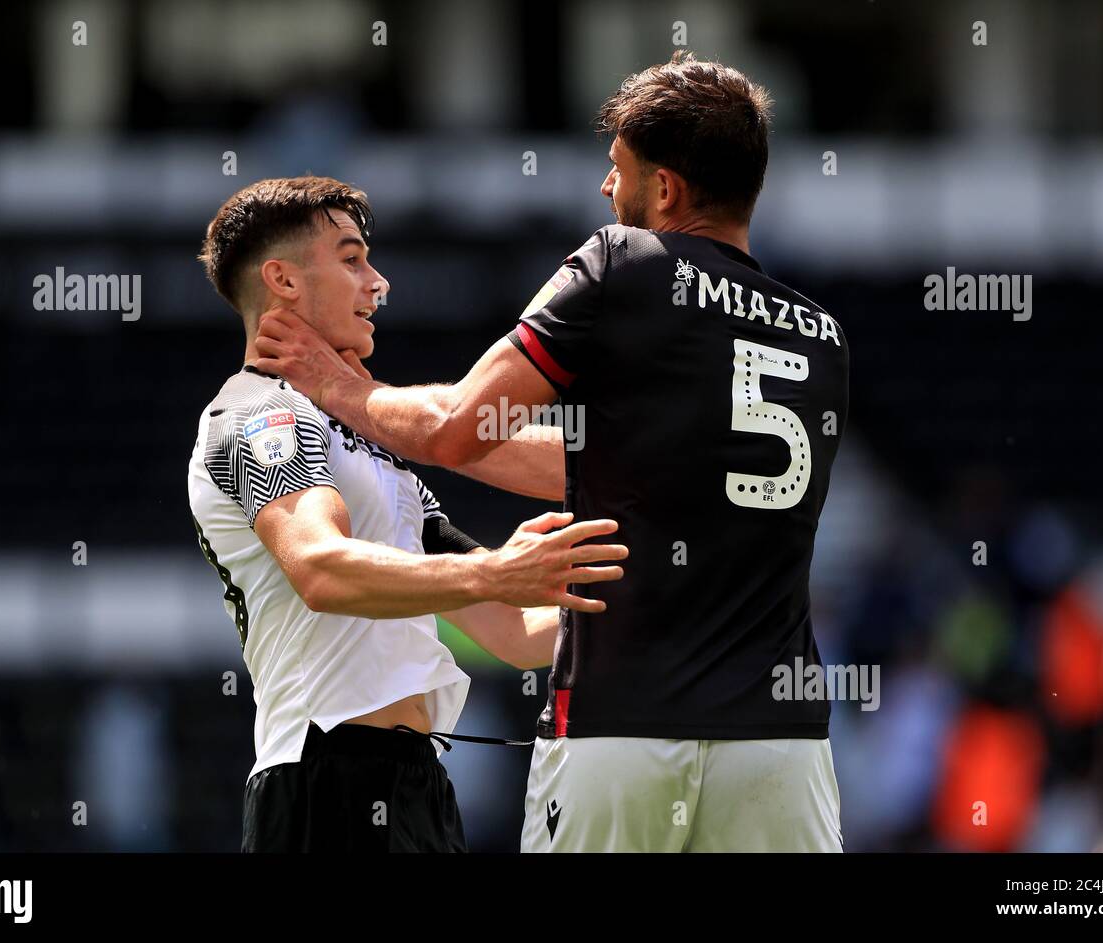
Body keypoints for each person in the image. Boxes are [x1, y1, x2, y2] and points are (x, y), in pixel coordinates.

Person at [255, 53, 849, 852]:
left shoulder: (621, 264)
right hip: (783, 745)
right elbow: (632, 466)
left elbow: (459, 428)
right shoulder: (820, 335)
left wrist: (339, 388)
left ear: (665, 189)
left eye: (619, 169)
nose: (609, 189)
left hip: (622, 727)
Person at [187, 176, 627, 852]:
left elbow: (513, 631)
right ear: (283, 280)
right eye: (351, 258)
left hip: (414, 786)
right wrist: (493, 572)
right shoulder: (256, 413)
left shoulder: (369, 451)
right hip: (323, 781)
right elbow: (320, 568)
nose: (377, 282)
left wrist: (658, 608)